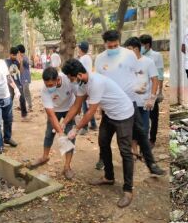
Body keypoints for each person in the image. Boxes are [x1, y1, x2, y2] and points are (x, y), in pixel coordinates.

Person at [61, 59, 135, 208]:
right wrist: (64, 122)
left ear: (79, 75)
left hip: (123, 114)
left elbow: (90, 112)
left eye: (70, 78)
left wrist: (75, 129)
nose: (70, 81)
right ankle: (109, 177)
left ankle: (128, 190)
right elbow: (76, 105)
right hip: (109, 115)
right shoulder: (82, 83)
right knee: (103, 143)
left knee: (125, 151)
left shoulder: (96, 82)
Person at [95, 30, 165, 175]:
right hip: (111, 105)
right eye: (110, 46)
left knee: (141, 133)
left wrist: (140, 87)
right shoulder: (100, 59)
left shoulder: (129, 55)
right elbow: (99, 82)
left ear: (119, 42)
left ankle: (151, 164)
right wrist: (100, 104)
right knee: (104, 138)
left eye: (115, 45)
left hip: (130, 102)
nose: (113, 48)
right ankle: (103, 160)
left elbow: (137, 72)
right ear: (105, 44)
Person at [29, 67, 76, 179]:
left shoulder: (68, 80)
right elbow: (51, 114)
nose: (49, 87)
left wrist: (65, 124)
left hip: (70, 108)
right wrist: (60, 133)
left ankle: (67, 166)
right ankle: (45, 157)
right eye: (47, 85)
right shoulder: (45, 90)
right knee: (49, 133)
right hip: (55, 110)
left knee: (70, 136)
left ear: (58, 79)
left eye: (51, 85)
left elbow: (79, 99)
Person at [124, 37, 159, 158]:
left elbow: (155, 80)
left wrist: (152, 98)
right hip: (130, 102)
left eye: (129, 49)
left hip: (144, 102)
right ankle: (134, 151)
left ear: (136, 49)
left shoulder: (148, 62)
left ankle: (145, 152)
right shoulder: (126, 63)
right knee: (132, 128)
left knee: (144, 128)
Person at [139, 34, 164, 147]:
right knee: (142, 116)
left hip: (153, 90)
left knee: (153, 117)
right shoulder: (138, 56)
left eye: (142, 45)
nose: (140, 47)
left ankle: (152, 139)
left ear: (147, 45)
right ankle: (142, 137)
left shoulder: (156, 56)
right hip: (141, 91)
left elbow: (160, 75)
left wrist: (160, 92)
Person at [76, 41, 98, 135]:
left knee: (85, 106)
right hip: (87, 82)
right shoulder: (87, 57)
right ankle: (93, 124)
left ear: (81, 49)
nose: (77, 49)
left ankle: (85, 127)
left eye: (78, 48)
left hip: (84, 83)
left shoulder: (83, 58)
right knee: (87, 106)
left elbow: (81, 72)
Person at [5, 47, 29, 120]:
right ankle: (9, 116)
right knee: (10, 99)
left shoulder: (16, 61)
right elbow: (6, 74)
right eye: (13, 55)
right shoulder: (6, 61)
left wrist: (21, 62)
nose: (14, 56)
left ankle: (24, 115)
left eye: (15, 55)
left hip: (17, 82)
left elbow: (21, 71)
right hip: (9, 83)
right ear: (10, 54)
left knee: (22, 98)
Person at [17, 45, 33, 112]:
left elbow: (28, 63)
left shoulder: (25, 57)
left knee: (26, 91)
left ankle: (30, 106)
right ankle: (21, 105)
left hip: (26, 77)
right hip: (22, 77)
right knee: (22, 91)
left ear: (19, 51)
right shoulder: (20, 57)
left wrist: (21, 60)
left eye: (17, 51)